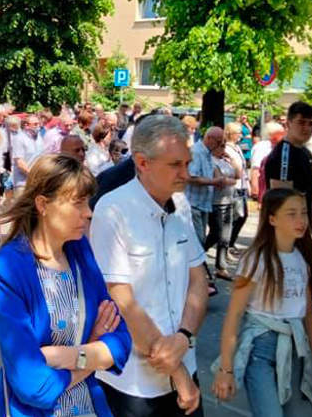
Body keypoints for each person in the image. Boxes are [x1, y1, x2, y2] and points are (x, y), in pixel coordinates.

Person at [0, 154, 131, 416]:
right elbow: (33, 385)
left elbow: (121, 342)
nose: (88, 212)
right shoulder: (7, 269)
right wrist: (93, 348)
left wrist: (65, 356)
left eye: (87, 202)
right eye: (78, 203)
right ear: (43, 204)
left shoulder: (79, 251)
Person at [89, 115, 207, 416]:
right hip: (133, 382)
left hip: (184, 360)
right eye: (175, 165)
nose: (185, 173)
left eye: (187, 163)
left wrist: (184, 336)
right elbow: (121, 298)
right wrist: (177, 370)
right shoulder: (113, 209)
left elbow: (197, 279)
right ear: (142, 162)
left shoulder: (180, 205)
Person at [211, 188, 312, 416]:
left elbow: (309, 316)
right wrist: (226, 369)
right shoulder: (256, 259)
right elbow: (234, 315)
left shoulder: (303, 259)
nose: (300, 220)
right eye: (291, 214)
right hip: (261, 348)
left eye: (303, 213)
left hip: (295, 348)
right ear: (272, 218)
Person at [263, 102, 312, 246]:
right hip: (286, 239)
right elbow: (281, 203)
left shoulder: (306, 153)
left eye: (310, 123)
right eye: (301, 123)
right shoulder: (283, 154)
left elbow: (310, 198)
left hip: (303, 234)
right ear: (288, 123)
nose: (306, 128)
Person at [206, 140, 241, 281]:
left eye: (224, 146)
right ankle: (199, 253)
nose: (223, 148)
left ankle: (221, 267)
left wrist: (232, 159)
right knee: (217, 234)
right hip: (216, 202)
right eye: (221, 145)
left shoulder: (225, 161)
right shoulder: (211, 161)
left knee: (225, 237)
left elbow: (237, 175)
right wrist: (229, 180)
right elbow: (220, 182)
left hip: (229, 200)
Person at [224, 122, 250, 259]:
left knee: (242, 215)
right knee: (237, 216)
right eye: (238, 133)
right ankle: (227, 244)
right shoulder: (227, 149)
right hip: (234, 186)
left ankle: (231, 242)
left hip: (242, 185)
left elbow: (243, 167)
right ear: (231, 134)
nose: (241, 135)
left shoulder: (237, 148)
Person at [11, 114, 43, 191]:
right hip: (23, 183)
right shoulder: (19, 138)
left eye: (38, 123)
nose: (38, 126)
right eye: (35, 124)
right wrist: (33, 176)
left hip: (37, 182)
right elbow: (20, 163)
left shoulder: (39, 138)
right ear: (26, 125)